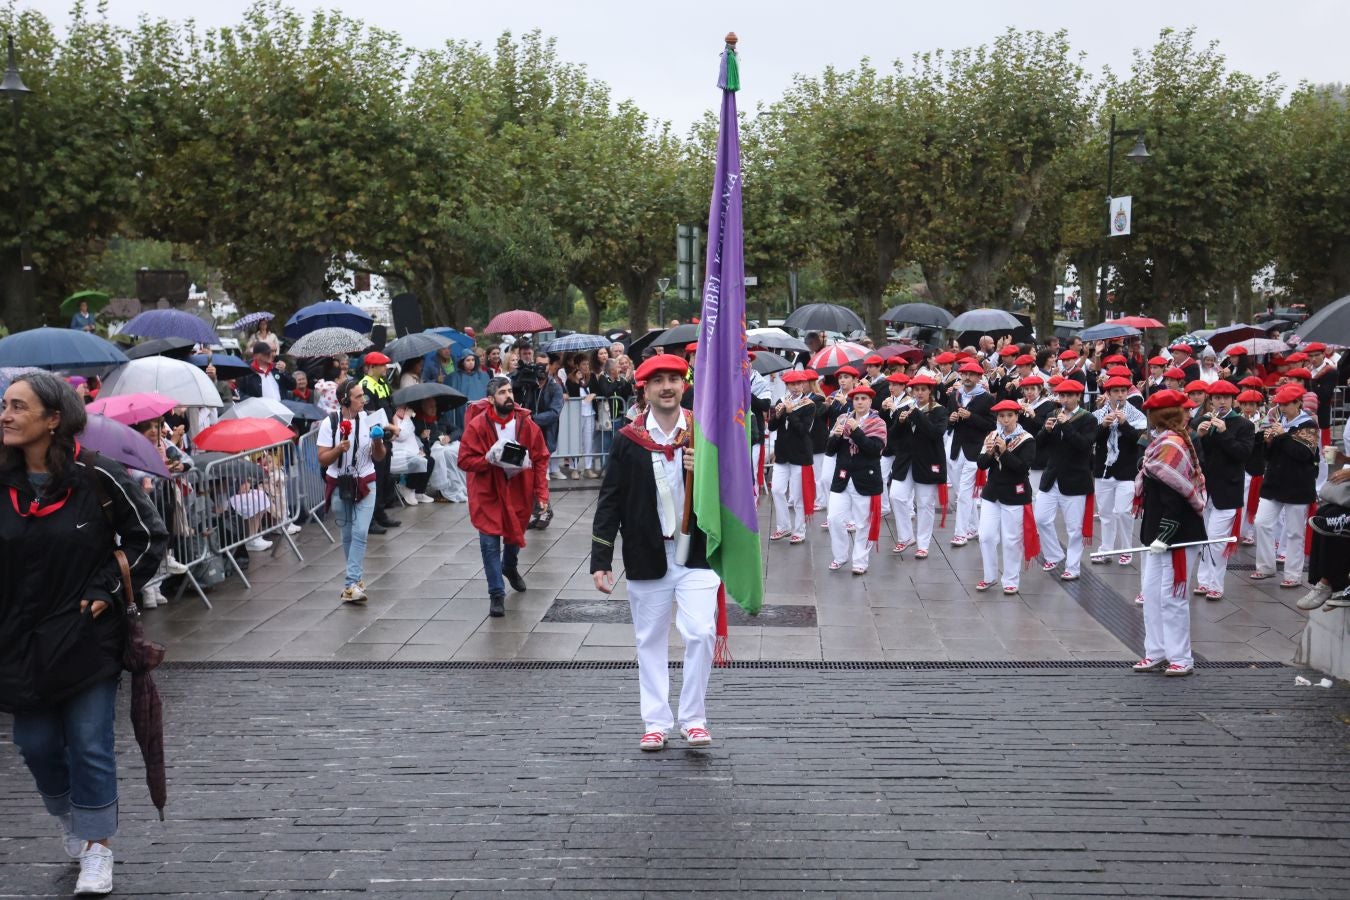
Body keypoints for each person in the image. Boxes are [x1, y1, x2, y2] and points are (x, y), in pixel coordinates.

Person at [1, 371, 167, 896]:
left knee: (90, 741)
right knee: (35, 742)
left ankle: (97, 847)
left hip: (85, 632)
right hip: (18, 640)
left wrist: (107, 591)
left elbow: (149, 536)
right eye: (4, 405)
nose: (5, 415)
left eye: (18, 407)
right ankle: (72, 815)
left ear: (54, 419)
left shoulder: (97, 477)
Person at [590, 354, 721, 752]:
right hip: (648, 555)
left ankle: (694, 719)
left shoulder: (703, 434)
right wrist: (601, 559)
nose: (667, 387)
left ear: (684, 386)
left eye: (674, 380)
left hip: (696, 554)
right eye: (658, 381)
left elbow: (732, 495)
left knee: (700, 633)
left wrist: (706, 472)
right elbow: (610, 501)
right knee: (649, 640)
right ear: (645, 390)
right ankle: (656, 722)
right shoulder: (628, 440)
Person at [457, 376, 551, 617]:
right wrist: (488, 459)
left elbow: (540, 457)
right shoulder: (478, 425)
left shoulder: (526, 424)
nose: (509, 396)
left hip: (518, 491)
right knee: (489, 545)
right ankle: (496, 594)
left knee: (513, 537)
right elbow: (464, 460)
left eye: (510, 391)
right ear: (491, 399)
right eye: (502, 392)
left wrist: (542, 494)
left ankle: (510, 566)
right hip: (487, 492)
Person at [1132, 389, 1208, 677]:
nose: (1190, 414)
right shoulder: (1161, 442)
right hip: (1156, 531)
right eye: (1183, 410)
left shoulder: (1172, 444)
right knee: (1152, 594)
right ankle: (1156, 650)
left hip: (1177, 533)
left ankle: (1181, 656)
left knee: (1172, 596)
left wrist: (1166, 534)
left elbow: (1175, 496)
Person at [317, 379, 387, 604]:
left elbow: (379, 456)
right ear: (345, 400)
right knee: (347, 534)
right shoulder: (330, 423)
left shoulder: (370, 418)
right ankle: (356, 581)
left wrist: (378, 442)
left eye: (363, 396)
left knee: (360, 533)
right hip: (339, 482)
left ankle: (350, 584)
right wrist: (338, 449)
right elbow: (322, 458)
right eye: (358, 397)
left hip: (366, 480)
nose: (363, 400)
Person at [1250, 383, 1320, 588]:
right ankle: (1265, 566)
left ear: (1298, 403)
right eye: (1280, 404)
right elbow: (1268, 456)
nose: (1283, 408)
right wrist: (1267, 442)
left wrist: (1282, 436)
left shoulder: (1308, 424)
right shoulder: (1277, 422)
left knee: (1294, 532)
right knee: (1261, 522)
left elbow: (1303, 454)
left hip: (1298, 485)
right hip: (1274, 483)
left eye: (1287, 404)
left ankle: (1293, 574)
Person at [1192, 380, 1255, 600]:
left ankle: (1216, 585)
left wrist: (1225, 433)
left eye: (1225, 398)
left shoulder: (1244, 425)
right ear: (1211, 400)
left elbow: (1242, 455)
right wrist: (1197, 436)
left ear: (1233, 400)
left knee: (1217, 539)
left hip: (1228, 489)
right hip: (1204, 489)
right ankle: (1203, 581)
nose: (1221, 402)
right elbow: (1194, 453)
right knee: (1204, 538)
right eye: (1217, 398)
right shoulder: (1202, 420)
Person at [1034, 380, 1096, 581]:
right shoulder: (1052, 415)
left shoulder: (1088, 418)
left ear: (1078, 396)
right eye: (1062, 396)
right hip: (1052, 476)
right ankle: (1054, 554)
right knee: (1041, 519)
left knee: (1074, 528)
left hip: (1075, 478)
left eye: (1070, 396)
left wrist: (1066, 426)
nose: (1065, 400)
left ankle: (1073, 567)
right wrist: (1047, 430)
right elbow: (1039, 444)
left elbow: (1084, 446)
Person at [975, 399, 1038, 594]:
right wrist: (991, 451)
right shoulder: (992, 436)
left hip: (1015, 494)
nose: (1005, 420)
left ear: (1017, 417)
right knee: (985, 536)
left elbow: (1022, 468)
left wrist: (1004, 452)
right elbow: (981, 464)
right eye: (1001, 416)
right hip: (992, 493)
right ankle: (989, 576)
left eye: (1009, 416)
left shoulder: (1027, 439)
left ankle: (1010, 579)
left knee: (1011, 539)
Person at [825, 384, 886, 575]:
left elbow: (874, 449)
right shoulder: (843, 418)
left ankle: (860, 560)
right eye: (856, 399)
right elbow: (829, 450)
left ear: (870, 401)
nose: (859, 402)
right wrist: (835, 436)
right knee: (833, 518)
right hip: (842, 476)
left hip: (866, 478)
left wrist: (856, 430)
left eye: (863, 399)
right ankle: (840, 556)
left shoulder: (878, 423)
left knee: (862, 523)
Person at [886, 373, 947, 559]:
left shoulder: (939, 410)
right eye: (916, 389)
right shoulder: (905, 407)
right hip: (905, 462)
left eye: (923, 389)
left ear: (930, 391)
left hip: (928, 462)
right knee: (895, 496)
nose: (919, 393)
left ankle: (923, 544)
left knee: (925, 504)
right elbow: (893, 435)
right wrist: (901, 421)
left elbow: (936, 434)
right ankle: (906, 536)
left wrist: (917, 415)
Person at [1091, 377, 1147, 566]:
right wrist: (1104, 426)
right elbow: (1092, 439)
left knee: (1123, 512)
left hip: (1127, 471)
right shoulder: (1098, 414)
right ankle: (1106, 549)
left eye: (1123, 391)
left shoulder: (1137, 415)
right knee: (1106, 513)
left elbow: (1138, 441)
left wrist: (1124, 424)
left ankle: (1126, 549)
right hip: (1104, 470)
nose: (1120, 395)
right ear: (1108, 394)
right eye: (1116, 391)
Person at [945, 361, 995, 546]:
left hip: (976, 450)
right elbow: (949, 423)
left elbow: (991, 425)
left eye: (971, 374)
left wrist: (971, 417)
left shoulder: (987, 398)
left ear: (979, 377)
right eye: (964, 373)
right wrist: (951, 420)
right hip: (957, 449)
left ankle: (961, 532)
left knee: (965, 493)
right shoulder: (954, 396)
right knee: (962, 492)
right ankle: (975, 527)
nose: (967, 377)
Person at [768, 370, 818, 544]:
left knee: (798, 496)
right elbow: (772, 426)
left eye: (799, 384)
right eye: (792, 384)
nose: (796, 387)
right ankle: (783, 527)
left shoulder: (809, 404)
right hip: (782, 454)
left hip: (800, 455)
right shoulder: (781, 401)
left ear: (804, 385)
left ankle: (800, 530)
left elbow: (804, 430)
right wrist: (780, 413)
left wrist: (790, 413)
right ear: (787, 386)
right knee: (777, 490)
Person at [358, 351, 401, 532]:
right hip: (375, 439)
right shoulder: (365, 386)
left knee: (383, 478)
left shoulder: (382, 382)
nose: (386, 368)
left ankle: (380, 512)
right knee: (374, 479)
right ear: (372, 367)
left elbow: (390, 406)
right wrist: (392, 428)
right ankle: (369, 519)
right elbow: (371, 415)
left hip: (387, 437)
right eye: (383, 365)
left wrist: (395, 424)